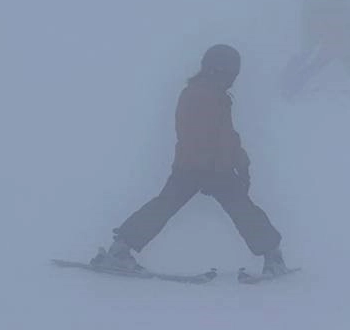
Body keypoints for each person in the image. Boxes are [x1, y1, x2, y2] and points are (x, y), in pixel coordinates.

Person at [95, 44, 290, 282]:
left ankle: (120, 249)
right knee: (237, 208)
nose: (232, 81)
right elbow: (196, 135)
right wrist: (218, 168)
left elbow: (226, 134)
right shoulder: (199, 95)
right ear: (215, 71)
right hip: (200, 167)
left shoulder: (215, 95)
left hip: (204, 167)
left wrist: (241, 161)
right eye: (230, 75)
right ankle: (273, 256)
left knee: (177, 205)